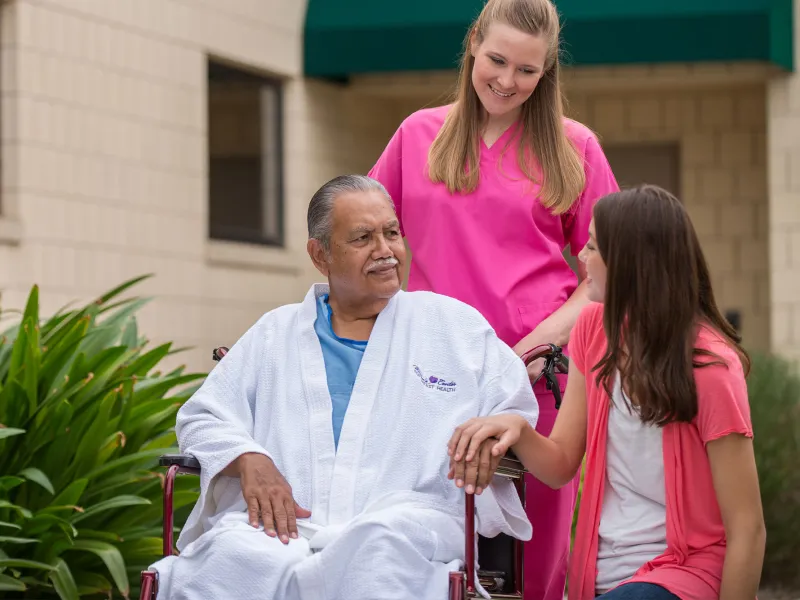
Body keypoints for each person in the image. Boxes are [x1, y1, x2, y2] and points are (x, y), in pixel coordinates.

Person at [149, 175, 539, 600]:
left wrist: (497, 427)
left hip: (404, 525)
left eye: (392, 233)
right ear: (321, 255)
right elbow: (203, 416)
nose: (385, 251)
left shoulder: (452, 326)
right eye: (363, 238)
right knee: (229, 556)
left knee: (374, 555)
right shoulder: (274, 333)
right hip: (283, 529)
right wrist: (247, 459)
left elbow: (512, 406)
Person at [367, 0, 619, 596]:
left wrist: (531, 345)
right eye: (497, 60)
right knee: (422, 558)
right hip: (425, 384)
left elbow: (612, 271)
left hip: (538, 386)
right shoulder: (416, 136)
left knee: (530, 572)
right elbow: (368, 243)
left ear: (547, 69)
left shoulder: (575, 146)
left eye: (527, 71)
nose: (507, 82)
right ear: (474, 43)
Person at [447, 185, 767, 600]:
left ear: (633, 265)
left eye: (593, 247)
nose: (580, 257)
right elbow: (561, 463)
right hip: (600, 578)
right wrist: (517, 430)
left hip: (686, 574)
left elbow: (748, 528)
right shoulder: (594, 331)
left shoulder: (710, 368)